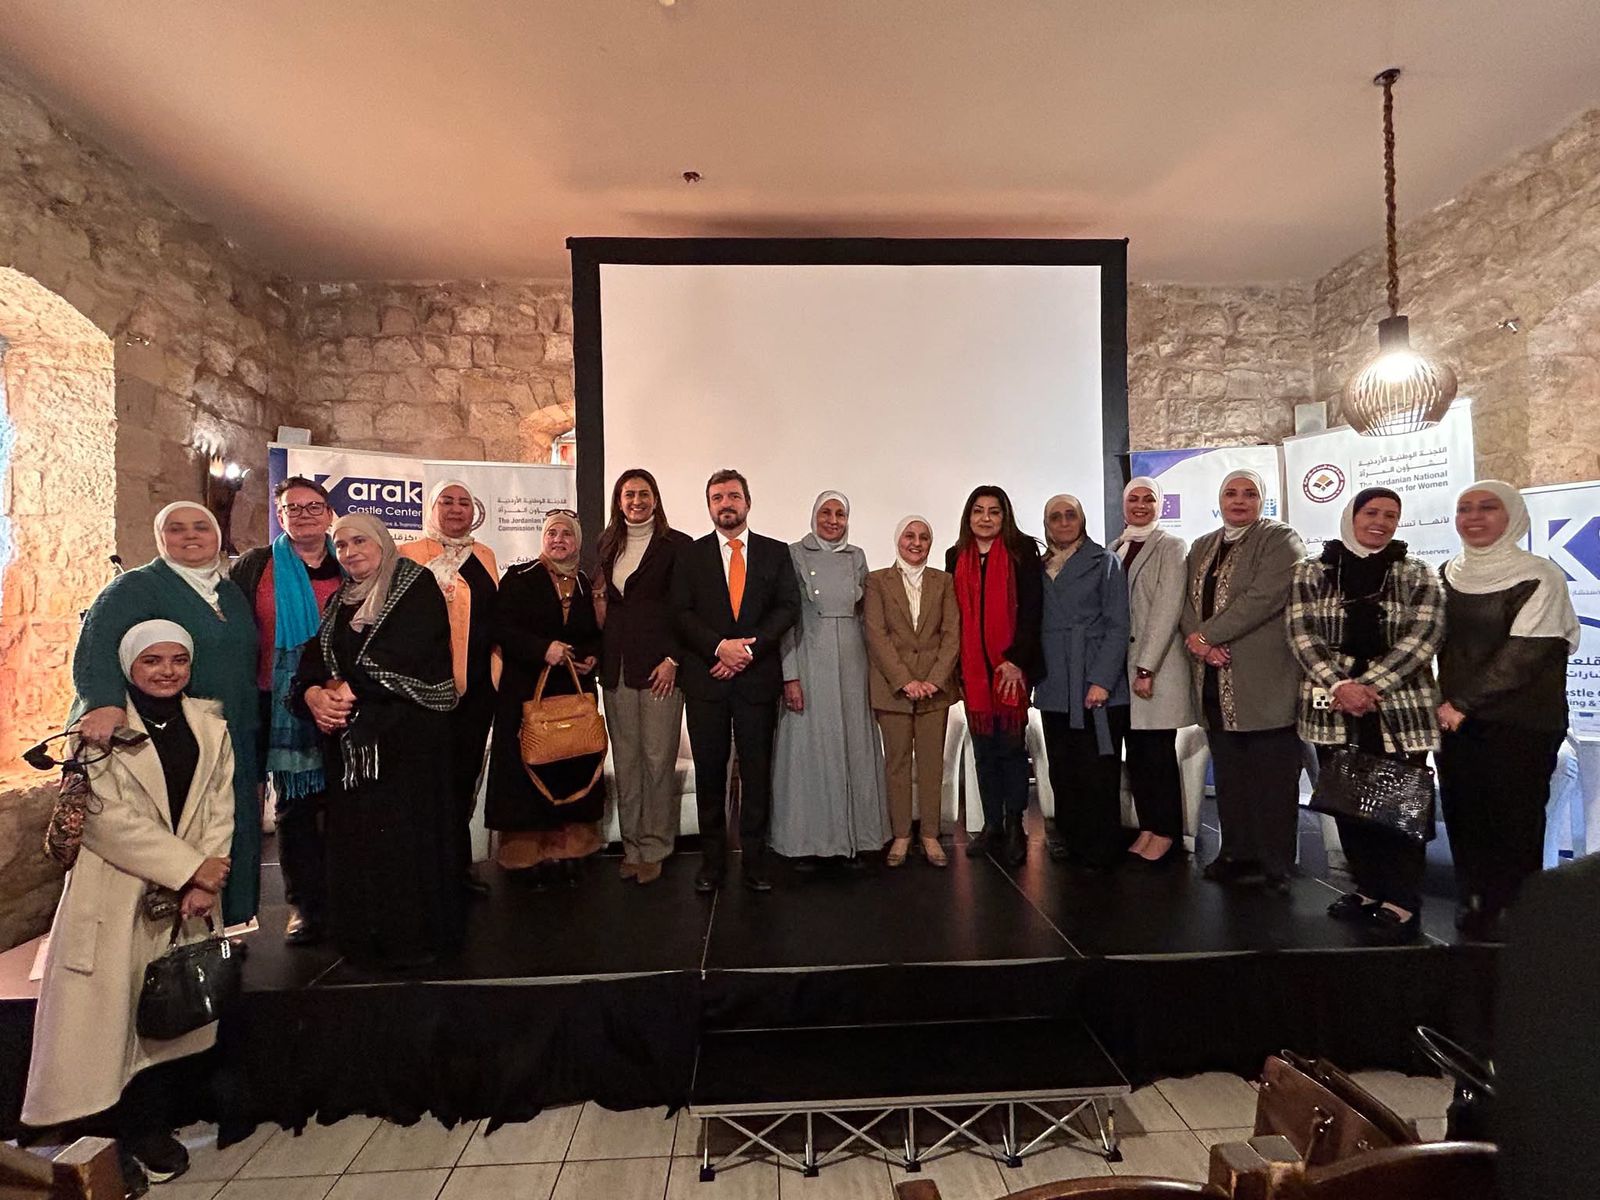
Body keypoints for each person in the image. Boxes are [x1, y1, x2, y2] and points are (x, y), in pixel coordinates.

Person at [24, 622, 235, 1193]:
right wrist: (187, 867)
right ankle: (107, 1144)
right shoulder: (96, 729)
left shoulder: (209, 726)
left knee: (158, 1021)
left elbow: (219, 805)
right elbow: (102, 819)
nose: (167, 671)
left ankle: (149, 1128)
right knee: (104, 1027)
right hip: (114, 895)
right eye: (152, 661)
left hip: (180, 897)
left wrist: (207, 878)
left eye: (178, 660)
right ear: (128, 666)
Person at [72, 501, 261, 926]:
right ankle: (162, 941)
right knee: (170, 830)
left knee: (223, 824)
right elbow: (97, 647)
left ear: (217, 536)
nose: (190, 535)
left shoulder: (228, 593)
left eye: (201, 527)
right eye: (176, 528)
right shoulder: (136, 587)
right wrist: (104, 702)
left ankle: (221, 928)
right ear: (160, 537)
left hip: (228, 730)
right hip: (168, 733)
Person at [291, 512, 461, 967]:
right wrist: (312, 693)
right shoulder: (341, 600)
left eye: (359, 541)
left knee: (405, 846)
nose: (350, 552)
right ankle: (363, 938)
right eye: (341, 545)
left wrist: (350, 689)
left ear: (382, 543)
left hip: (406, 747)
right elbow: (317, 655)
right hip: (354, 751)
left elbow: (409, 648)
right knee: (359, 845)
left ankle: (411, 942)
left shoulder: (414, 585)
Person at [1286, 488, 1446, 942]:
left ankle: (1401, 897)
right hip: (1333, 703)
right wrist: (1341, 685)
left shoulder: (1418, 572)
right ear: (1351, 516)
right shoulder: (1312, 571)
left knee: (1398, 806)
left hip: (1398, 705)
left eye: (1390, 515)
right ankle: (1368, 888)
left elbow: (1424, 637)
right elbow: (1301, 633)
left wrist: (1369, 686)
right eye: (1371, 512)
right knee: (1349, 803)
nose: (1380, 522)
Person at [1436, 481, 1578, 939]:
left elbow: (1526, 654)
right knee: (1464, 813)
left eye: (1488, 507)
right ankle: (1474, 899)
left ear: (1513, 515)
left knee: (1515, 821)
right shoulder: (1446, 573)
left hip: (1520, 723)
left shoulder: (1539, 576)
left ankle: (1516, 910)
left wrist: (1462, 703)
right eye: (1465, 509)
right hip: (1455, 723)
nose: (1474, 517)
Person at [671, 469, 802, 893]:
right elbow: (680, 612)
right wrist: (719, 648)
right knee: (710, 774)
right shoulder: (690, 555)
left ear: (748, 501)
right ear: (709, 505)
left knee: (756, 774)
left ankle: (755, 860)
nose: (725, 504)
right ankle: (712, 861)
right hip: (706, 681)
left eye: (732, 496)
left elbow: (787, 608)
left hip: (756, 681)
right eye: (717, 497)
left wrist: (745, 651)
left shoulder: (775, 552)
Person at [1181, 469, 1306, 893]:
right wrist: (1201, 644)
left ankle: (1275, 863)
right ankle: (1236, 852)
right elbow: (1186, 603)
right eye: (1231, 493)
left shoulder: (1280, 539)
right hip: (1214, 679)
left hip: (1264, 678)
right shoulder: (1202, 545)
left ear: (1261, 500)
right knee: (1230, 775)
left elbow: (1263, 597)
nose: (1239, 500)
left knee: (1272, 777)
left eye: (1249, 493)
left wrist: (1207, 636)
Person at [231, 476, 343, 944]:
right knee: (294, 806)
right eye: (292, 508)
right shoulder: (257, 566)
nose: (303, 515)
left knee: (340, 802)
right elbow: (233, 631)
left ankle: (345, 896)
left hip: (340, 699)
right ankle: (304, 904)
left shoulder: (349, 561)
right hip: (274, 703)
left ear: (329, 514)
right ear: (279, 516)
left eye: (313, 507)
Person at [486, 510, 607, 885]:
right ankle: (525, 856)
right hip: (526, 691)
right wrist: (542, 649)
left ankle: (569, 851)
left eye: (566, 534)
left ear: (577, 542)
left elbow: (592, 633)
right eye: (552, 533)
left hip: (571, 691)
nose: (559, 540)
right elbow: (501, 627)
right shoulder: (519, 577)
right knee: (526, 771)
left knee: (571, 765)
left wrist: (591, 656)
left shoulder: (585, 584)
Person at [772, 492, 889, 866]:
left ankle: (857, 838)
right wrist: (790, 676)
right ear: (814, 515)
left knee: (854, 748)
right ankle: (806, 842)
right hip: (809, 659)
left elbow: (866, 617)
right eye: (826, 512)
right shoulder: (793, 554)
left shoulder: (857, 556)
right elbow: (787, 620)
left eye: (840, 514)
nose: (833, 520)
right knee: (810, 752)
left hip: (853, 664)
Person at [399, 480, 500, 897]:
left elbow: (495, 616)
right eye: (447, 501)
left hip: (477, 690)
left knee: (463, 778)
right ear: (431, 507)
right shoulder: (409, 555)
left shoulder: (484, 555)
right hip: (425, 691)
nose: (456, 509)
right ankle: (424, 870)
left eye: (464, 503)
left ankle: (458, 865)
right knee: (426, 781)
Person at [595, 469, 692, 884]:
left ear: (656, 498)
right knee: (627, 761)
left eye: (643, 494)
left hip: (659, 670)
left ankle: (655, 846)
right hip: (616, 667)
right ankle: (632, 844)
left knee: (657, 760)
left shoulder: (678, 545)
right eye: (628, 494)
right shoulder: (606, 543)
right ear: (618, 501)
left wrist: (674, 659)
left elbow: (688, 608)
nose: (636, 501)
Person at [945, 486, 1044, 867]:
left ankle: (1016, 825)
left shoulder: (1022, 552)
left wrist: (1016, 660)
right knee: (984, 751)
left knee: (1011, 750)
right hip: (974, 673)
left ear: (1005, 517)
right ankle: (991, 825)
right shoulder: (955, 556)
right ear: (968, 517)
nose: (985, 518)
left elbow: (1033, 610)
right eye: (978, 511)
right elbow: (954, 615)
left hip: (1011, 671)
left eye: (994, 511)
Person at [1033, 494, 1130, 871]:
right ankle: (1071, 839)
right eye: (1055, 517)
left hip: (1093, 680)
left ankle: (1100, 848)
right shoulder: (1039, 567)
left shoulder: (1104, 561)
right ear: (1046, 524)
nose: (1063, 522)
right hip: (1055, 683)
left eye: (1069, 515)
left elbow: (1118, 625)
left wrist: (1102, 680)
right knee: (1063, 767)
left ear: (1082, 520)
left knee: (1097, 770)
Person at [863, 516, 961, 867]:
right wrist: (906, 681)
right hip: (893, 690)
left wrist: (934, 680)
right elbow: (876, 635)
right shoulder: (877, 581)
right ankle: (902, 834)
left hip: (936, 690)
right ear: (898, 539)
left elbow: (952, 634)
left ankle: (930, 834)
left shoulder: (944, 581)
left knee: (933, 764)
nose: (916, 542)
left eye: (924, 537)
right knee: (898, 764)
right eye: (909, 536)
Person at [1113, 476, 1196, 866]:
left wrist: (1146, 667)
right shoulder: (1116, 547)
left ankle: (1166, 833)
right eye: (1134, 498)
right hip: (1124, 672)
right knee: (1138, 754)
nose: (1141, 505)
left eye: (1149, 499)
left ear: (1160, 505)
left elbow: (1166, 609)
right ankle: (1148, 827)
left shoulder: (1171, 546)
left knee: (1157, 753)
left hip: (1154, 669)